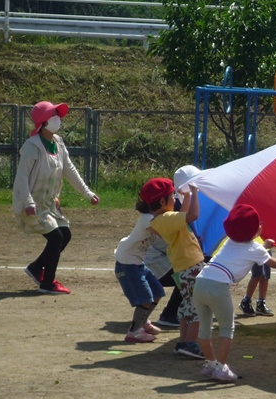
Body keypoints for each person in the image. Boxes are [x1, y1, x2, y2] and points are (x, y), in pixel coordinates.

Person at [193, 204, 276, 381]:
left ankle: (210, 364)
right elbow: (275, 263)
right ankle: (221, 368)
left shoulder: (230, 241)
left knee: (205, 326)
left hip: (201, 282)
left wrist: (264, 245)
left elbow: (246, 251)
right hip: (218, 287)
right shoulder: (255, 249)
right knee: (227, 328)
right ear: (255, 229)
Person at [13, 100, 100, 295]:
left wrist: (87, 193)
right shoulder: (32, 147)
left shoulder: (58, 143)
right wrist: (27, 202)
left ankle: (36, 268)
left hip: (49, 203)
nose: (57, 119)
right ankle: (47, 283)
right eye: (53, 116)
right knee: (56, 238)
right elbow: (22, 178)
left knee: (65, 235)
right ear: (42, 122)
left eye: (58, 116)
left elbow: (69, 170)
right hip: (32, 203)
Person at [147, 177, 205, 359]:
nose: (175, 200)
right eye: (173, 197)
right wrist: (195, 193)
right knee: (197, 307)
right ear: (163, 202)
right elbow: (193, 215)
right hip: (191, 266)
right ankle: (190, 343)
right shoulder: (166, 218)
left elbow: (184, 213)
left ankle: (183, 342)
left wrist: (186, 196)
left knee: (187, 305)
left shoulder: (161, 219)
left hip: (183, 268)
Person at [114, 183, 167, 343]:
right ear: (163, 201)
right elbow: (167, 234)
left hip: (138, 263)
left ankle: (142, 322)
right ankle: (134, 331)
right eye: (173, 197)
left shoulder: (154, 217)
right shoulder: (149, 219)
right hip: (127, 263)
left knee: (157, 293)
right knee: (145, 298)